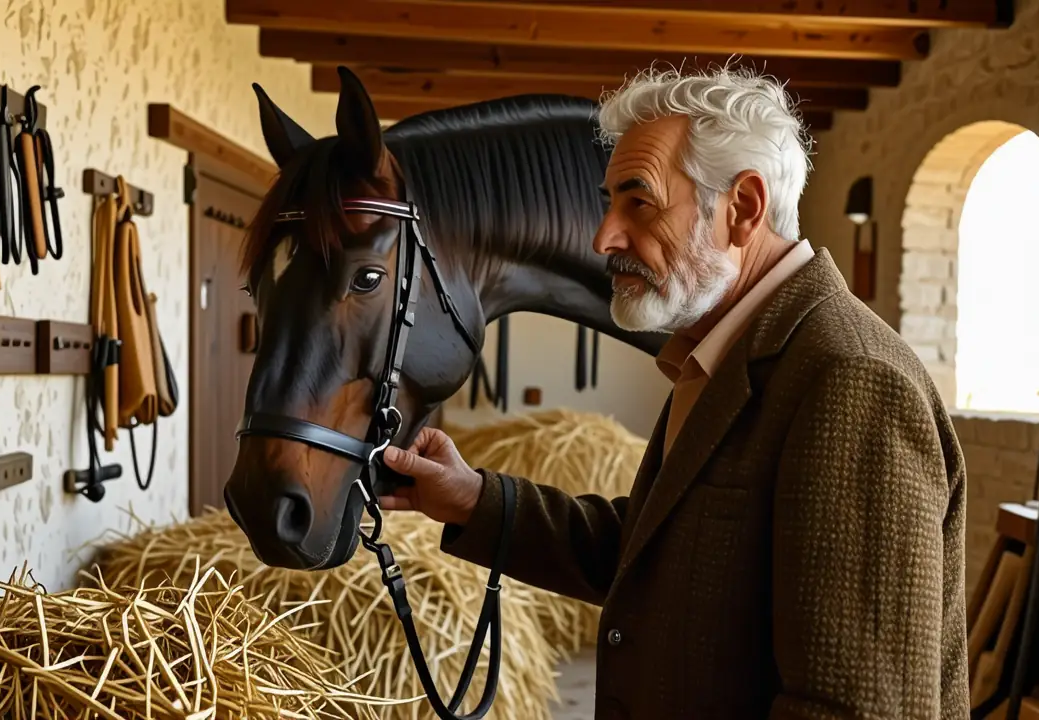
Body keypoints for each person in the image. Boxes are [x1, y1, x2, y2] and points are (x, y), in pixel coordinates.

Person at [379, 65, 969, 719]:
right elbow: (655, 552)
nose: (603, 237)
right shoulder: (723, 355)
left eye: (639, 202)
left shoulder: (850, 379)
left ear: (742, 208)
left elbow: (854, 709)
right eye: (609, 202)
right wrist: (473, 500)